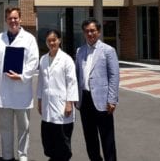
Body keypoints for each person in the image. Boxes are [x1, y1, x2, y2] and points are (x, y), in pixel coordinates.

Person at [0, 6, 39, 161]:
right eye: (10, 18)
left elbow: (34, 61)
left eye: (15, 18)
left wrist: (22, 76)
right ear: (6, 20)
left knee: (24, 128)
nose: (13, 21)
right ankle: (7, 156)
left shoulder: (29, 39)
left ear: (20, 19)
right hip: (4, 91)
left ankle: (22, 156)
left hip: (22, 91)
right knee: (5, 128)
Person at [75, 19, 120, 161]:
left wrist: (112, 100)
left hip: (102, 101)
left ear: (98, 32)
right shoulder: (79, 51)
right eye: (87, 31)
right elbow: (77, 75)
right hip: (85, 100)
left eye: (92, 30)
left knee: (107, 138)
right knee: (90, 138)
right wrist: (77, 98)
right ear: (84, 33)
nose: (90, 33)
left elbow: (114, 76)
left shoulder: (108, 50)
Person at [37, 30, 78, 161]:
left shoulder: (66, 59)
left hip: (62, 105)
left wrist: (69, 103)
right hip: (47, 104)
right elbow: (41, 82)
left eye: (54, 40)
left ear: (59, 40)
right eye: (49, 40)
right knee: (48, 138)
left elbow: (72, 82)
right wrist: (39, 100)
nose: (51, 43)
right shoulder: (43, 59)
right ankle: (53, 157)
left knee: (62, 139)